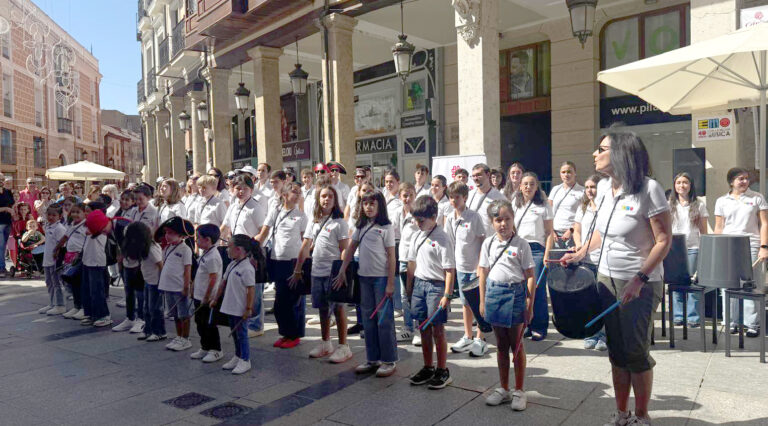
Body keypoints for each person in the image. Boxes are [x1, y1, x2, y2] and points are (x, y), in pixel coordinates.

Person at [563, 131, 672, 425]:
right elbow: (601, 230)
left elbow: (664, 240)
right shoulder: (602, 187)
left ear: (621, 152)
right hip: (606, 278)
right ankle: (622, 413)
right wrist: (581, 252)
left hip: (638, 282)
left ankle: (641, 415)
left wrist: (639, 278)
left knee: (635, 351)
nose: (595, 154)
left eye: (601, 148)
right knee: (615, 351)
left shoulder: (649, 189)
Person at [479, 199, 536, 411]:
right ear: (492, 222)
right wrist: (483, 300)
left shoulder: (522, 244)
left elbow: (530, 276)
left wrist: (529, 306)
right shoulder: (488, 243)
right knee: (500, 345)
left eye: (507, 219)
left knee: (517, 344)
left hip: (515, 296)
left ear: (513, 219)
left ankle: (519, 390)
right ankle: (503, 389)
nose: (503, 224)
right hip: (494, 294)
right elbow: (482, 272)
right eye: (498, 220)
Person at [336, 191, 398, 377]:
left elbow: (392, 257)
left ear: (380, 206)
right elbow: (350, 249)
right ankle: (372, 358)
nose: (369, 207)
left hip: (381, 279)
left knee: (384, 321)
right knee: (368, 321)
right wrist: (342, 270)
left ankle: (388, 360)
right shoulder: (360, 226)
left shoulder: (386, 227)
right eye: (365, 203)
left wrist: (390, 283)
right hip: (364, 278)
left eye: (372, 203)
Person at [294, 183, 351, 362]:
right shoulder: (314, 221)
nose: (326, 199)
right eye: (323, 196)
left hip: (333, 272)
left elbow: (344, 249)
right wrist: (297, 268)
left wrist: (342, 271)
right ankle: (326, 342)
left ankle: (344, 346)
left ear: (335, 200)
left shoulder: (340, 223)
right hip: (316, 272)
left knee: (339, 308)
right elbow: (305, 246)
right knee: (322, 308)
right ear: (318, 199)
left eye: (330, 196)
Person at [406, 196, 456, 389]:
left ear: (434, 216)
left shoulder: (442, 238)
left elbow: (449, 270)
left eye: (422, 220)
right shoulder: (417, 235)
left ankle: (442, 369)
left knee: (438, 330)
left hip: (436, 286)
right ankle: (428, 366)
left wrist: (447, 294)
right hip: (419, 284)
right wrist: (410, 289)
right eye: (416, 220)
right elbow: (411, 264)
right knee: (423, 328)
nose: (418, 224)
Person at [714, 167, 768, 337]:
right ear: (731, 182)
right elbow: (719, 227)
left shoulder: (757, 198)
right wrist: (717, 248)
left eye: (746, 178)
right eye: (740, 179)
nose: (745, 181)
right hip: (728, 246)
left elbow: (764, 224)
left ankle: (752, 324)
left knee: (750, 285)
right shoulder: (722, 201)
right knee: (728, 285)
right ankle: (731, 322)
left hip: (750, 245)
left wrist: (764, 247)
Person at [255, 182, 308, 348]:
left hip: (293, 263)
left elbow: (306, 242)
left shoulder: (301, 216)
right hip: (277, 260)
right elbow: (263, 234)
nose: (298, 194)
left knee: (292, 301)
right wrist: (252, 248)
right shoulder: (275, 212)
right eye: (294, 192)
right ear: (284, 195)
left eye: (299, 192)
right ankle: (285, 334)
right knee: (280, 302)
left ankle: (294, 335)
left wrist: (301, 265)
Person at [445, 181, 491, 357]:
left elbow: (482, 242)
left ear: (465, 197)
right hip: (461, 267)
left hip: (475, 268)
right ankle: (468, 335)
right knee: (465, 303)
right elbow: (450, 244)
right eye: (451, 197)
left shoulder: (474, 217)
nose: (454, 201)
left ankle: (480, 338)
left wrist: (480, 266)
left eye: (457, 197)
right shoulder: (450, 218)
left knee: (479, 304)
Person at [512, 172, 554, 341]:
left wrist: (547, 254)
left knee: (536, 288)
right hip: (519, 248)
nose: (528, 187)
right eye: (525, 184)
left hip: (537, 249)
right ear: (520, 186)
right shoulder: (515, 203)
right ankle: (526, 325)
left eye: (532, 184)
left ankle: (539, 326)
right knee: (521, 289)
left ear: (537, 187)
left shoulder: (543, 205)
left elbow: (549, 232)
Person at [572, 174, 608, 351]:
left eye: (593, 187)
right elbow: (576, 230)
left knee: (602, 299)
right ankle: (591, 333)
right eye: (587, 187)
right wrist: (579, 246)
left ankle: (603, 335)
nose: (589, 190)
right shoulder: (583, 207)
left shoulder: (605, 208)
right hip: (585, 259)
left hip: (601, 259)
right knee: (587, 300)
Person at [212, 234, 256, 375]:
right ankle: (237, 356)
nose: (226, 250)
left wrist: (248, 308)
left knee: (242, 334)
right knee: (235, 334)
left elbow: (251, 289)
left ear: (238, 250)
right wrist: (215, 298)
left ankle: (245, 359)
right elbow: (222, 283)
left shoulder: (247, 268)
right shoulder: (232, 264)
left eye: (229, 247)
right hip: (230, 305)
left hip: (240, 307)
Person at [669, 172, 708, 328]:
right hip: (674, 250)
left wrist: (705, 249)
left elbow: (703, 230)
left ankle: (693, 317)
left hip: (693, 248)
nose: (681, 186)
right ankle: (678, 315)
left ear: (691, 185)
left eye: (685, 182)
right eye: (678, 182)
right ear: (674, 186)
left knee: (693, 284)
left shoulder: (699, 204)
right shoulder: (669, 204)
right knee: (676, 283)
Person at [156, 217, 195, 351]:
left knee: (184, 314)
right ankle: (179, 337)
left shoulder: (185, 250)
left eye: (171, 233)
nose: (167, 235)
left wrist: (186, 286)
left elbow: (187, 269)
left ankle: (186, 338)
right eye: (166, 232)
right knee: (175, 315)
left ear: (181, 235)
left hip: (179, 287)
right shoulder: (166, 249)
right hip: (168, 286)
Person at [123, 222, 165, 342]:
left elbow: (161, 265)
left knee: (155, 308)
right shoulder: (143, 247)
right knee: (146, 308)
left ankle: (159, 332)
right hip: (147, 280)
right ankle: (148, 330)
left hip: (155, 282)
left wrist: (162, 283)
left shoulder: (152, 248)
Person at [190, 224, 224, 363]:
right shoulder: (206, 253)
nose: (196, 241)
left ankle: (216, 350)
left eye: (198, 238)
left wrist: (207, 297)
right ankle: (205, 346)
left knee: (209, 324)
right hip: (199, 295)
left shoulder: (213, 257)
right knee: (199, 322)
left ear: (208, 240)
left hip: (208, 298)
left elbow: (213, 278)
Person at [391, 182, 420, 345]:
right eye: (404, 195)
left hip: (416, 260)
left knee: (415, 295)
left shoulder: (419, 213)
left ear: (415, 195)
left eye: (410, 194)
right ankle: (407, 328)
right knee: (404, 296)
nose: (407, 198)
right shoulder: (397, 213)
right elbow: (393, 234)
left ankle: (418, 329)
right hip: (402, 258)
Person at [55, 203, 88, 319]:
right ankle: (76, 306)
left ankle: (84, 308)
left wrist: (80, 254)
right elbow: (65, 237)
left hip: (80, 258)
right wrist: (57, 249)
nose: (74, 214)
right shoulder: (72, 224)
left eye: (78, 212)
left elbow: (87, 242)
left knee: (81, 283)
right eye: (73, 212)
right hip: (69, 256)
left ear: (85, 213)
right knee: (73, 282)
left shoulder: (86, 226)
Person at [82, 210, 114, 327]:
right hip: (87, 261)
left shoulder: (101, 232)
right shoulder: (92, 229)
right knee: (87, 290)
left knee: (97, 291)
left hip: (96, 263)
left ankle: (103, 315)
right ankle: (92, 314)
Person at [548, 161, 584, 249]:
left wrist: (571, 230)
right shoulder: (555, 190)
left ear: (575, 173)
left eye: (569, 172)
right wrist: (551, 231)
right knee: (556, 261)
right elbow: (548, 212)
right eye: (563, 172)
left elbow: (584, 215)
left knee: (570, 261)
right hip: (555, 234)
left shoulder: (582, 191)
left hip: (572, 234)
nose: (566, 175)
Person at [220, 175, 266, 242]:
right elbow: (224, 227)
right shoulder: (233, 206)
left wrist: (250, 244)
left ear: (251, 190)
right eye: (238, 188)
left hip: (249, 248)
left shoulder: (256, 208)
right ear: (233, 189)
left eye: (245, 189)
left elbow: (263, 233)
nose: (241, 191)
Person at [468, 164, 507, 235]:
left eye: (478, 175)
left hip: (489, 240)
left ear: (488, 175)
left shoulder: (499, 198)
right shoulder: (469, 196)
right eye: (473, 176)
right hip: (471, 240)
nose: (475, 178)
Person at [41, 206, 66, 315]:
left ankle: (60, 305)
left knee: (57, 283)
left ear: (59, 216)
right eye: (49, 214)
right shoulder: (48, 226)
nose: (50, 217)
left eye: (54, 215)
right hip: (47, 259)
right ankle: (52, 303)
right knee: (49, 283)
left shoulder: (59, 228)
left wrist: (58, 259)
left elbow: (62, 245)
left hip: (55, 261)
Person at [0, 174, 14, 277]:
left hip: (8, 222)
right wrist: (5, 209)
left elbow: (12, 204)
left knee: (4, 247)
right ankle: (1, 269)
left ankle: (2, 267)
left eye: (2, 179)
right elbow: (8, 207)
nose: (1, 181)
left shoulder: (7, 191)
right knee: (0, 247)